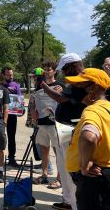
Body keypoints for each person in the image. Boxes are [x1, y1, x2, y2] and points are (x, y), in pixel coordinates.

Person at [65, 68, 110, 210]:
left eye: (79, 85)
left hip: (94, 180)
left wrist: (85, 165)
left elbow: (89, 138)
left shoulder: (92, 111)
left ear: (95, 87)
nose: (74, 89)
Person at [41, 53, 85, 210]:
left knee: (71, 167)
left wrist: (43, 85)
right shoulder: (72, 83)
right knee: (63, 165)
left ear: (72, 66)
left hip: (71, 129)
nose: (64, 73)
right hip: (62, 128)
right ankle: (67, 200)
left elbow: (60, 98)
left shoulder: (81, 82)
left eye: (65, 69)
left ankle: (75, 203)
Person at [32, 60, 64, 186]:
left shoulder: (60, 85)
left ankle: (59, 178)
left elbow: (65, 102)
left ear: (54, 71)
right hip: (41, 123)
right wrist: (33, 112)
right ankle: (44, 174)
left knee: (58, 152)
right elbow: (35, 101)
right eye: (45, 69)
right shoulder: (40, 85)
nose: (47, 71)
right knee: (44, 150)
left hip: (56, 124)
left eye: (49, 69)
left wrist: (61, 92)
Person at [2, 66, 21, 167]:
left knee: (11, 137)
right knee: (0, 137)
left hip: (12, 115)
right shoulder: (0, 85)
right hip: (0, 115)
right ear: (3, 75)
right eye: (8, 75)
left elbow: (19, 100)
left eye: (12, 74)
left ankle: (12, 158)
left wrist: (21, 110)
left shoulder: (16, 86)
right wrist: (5, 89)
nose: (11, 76)